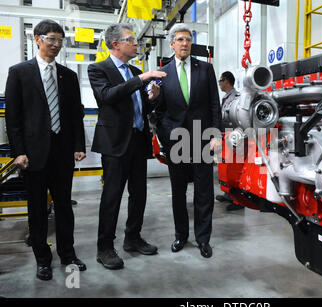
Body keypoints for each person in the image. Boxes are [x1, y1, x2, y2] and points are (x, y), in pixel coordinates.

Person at [5, 19, 87, 281]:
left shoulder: (69, 75)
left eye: (60, 40)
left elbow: (76, 115)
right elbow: (13, 117)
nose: (56, 44)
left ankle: (68, 253)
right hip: (33, 154)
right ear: (37, 39)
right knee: (37, 208)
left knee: (64, 206)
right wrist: (18, 152)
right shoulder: (19, 72)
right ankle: (42, 258)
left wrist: (78, 146)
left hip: (62, 154)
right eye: (52, 38)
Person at [88, 23, 166, 270]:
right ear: (115, 44)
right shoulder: (98, 69)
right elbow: (108, 96)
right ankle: (105, 247)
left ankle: (132, 237)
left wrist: (152, 99)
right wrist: (142, 78)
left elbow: (140, 107)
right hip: (114, 144)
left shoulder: (134, 70)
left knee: (139, 193)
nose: (136, 43)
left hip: (137, 140)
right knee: (111, 196)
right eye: (131, 40)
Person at [154, 23, 221, 258]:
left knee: (204, 191)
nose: (185, 43)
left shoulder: (205, 69)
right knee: (178, 191)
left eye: (188, 39)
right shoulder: (163, 72)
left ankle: (203, 239)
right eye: (180, 39)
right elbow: (158, 109)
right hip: (176, 142)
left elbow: (215, 104)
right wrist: (165, 136)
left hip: (202, 139)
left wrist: (215, 134)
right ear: (171, 43)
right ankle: (181, 235)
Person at [216, 71, 244, 211]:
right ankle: (228, 193)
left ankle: (239, 201)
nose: (219, 84)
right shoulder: (226, 97)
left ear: (226, 81)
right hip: (225, 136)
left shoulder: (237, 98)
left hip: (235, 137)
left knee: (234, 168)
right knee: (225, 167)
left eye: (220, 81)